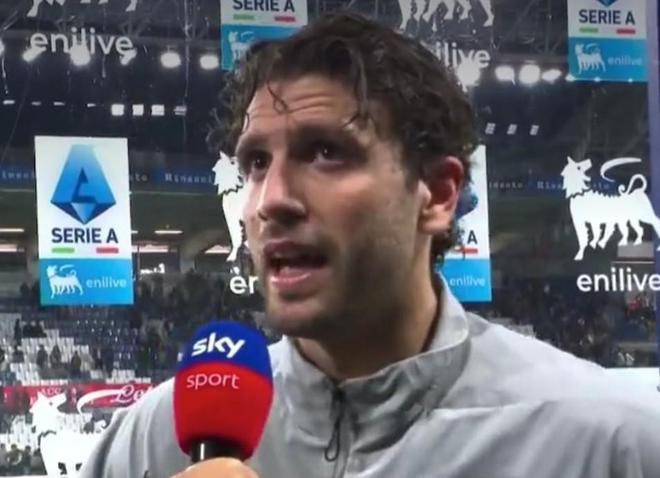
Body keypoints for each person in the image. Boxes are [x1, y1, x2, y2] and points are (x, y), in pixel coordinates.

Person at [80, 12, 660, 478]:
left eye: (325, 152)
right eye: (255, 162)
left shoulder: (608, 443)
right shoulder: (149, 443)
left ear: (438, 194)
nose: (270, 200)